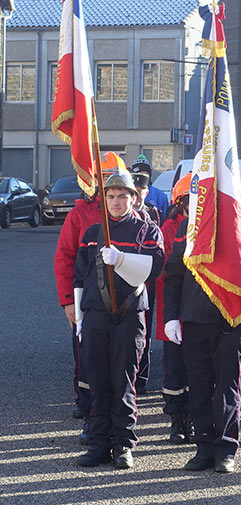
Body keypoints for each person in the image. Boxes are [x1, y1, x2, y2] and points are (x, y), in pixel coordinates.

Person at [163, 184, 241, 473]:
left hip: (230, 320)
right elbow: (173, 275)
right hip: (194, 318)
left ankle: (225, 449)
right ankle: (203, 448)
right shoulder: (188, 226)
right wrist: (170, 316)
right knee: (198, 387)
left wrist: (233, 244)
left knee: (227, 387)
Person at [73, 169, 164, 468]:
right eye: (110, 197)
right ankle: (99, 443)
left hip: (129, 314)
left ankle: (123, 444)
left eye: (122, 196)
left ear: (134, 199)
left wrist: (123, 259)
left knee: (124, 381)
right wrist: (80, 316)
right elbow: (80, 276)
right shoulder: (92, 234)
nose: (115, 202)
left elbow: (154, 266)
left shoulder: (147, 231)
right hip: (96, 315)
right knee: (97, 382)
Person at [53, 151, 124, 443]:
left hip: (125, 306)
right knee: (87, 361)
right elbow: (64, 258)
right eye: (104, 178)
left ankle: (120, 422)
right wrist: (68, 300)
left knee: (121, 365)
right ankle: (89, 413)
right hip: (89, 303)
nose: (109, 185)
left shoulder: (134, 215)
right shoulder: (79, 214)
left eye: (114, 178)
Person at [155, 174, 194, 443]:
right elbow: (163, 272)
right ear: (180, 202)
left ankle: (195, 418)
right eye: (191, 201)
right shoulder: (168, 230)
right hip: (173, 310)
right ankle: (177, 421)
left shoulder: (210, 227)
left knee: (198, 369)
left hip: (199, 312)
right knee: (174, 370)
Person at [129, 167, 161, 395]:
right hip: (127, 281)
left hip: (148, 283)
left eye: (143, 190)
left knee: (146, 332)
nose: (139, 195)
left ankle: (141, 378)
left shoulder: (154, 213)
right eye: (136, 190)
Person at [131, 155, 169, 221]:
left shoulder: (160, 196)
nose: (142, 178)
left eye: (145, 175)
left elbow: (166, 219)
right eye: (139, 174)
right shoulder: (126, 192)